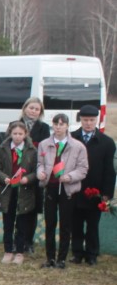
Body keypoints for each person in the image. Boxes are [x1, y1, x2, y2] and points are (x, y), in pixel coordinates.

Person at [37, 113, 88, 269]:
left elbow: (83, 169)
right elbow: (40, 163)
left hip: (67, 189)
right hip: (51, 187)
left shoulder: (78, 146)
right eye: (56, 124)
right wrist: (40, 172)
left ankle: (62, 259)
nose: (58, 127)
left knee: (65, 224)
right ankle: (50, 258)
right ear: (52, 125)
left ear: (67, 126)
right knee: (50, 223)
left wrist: (70, 176)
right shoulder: (44, 144)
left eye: (62, 124)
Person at [71, 104, 116, 266]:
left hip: (95, 191)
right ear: (80, 120)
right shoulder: (72, 138)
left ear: (97, 120)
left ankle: (92, 254)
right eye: (85, 120)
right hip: (75, 189)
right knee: (75, 224)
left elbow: (109, 171)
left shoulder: (107, 142)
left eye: (91, 120)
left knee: (92, 225)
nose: (88, 123)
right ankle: (77, 253)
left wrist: (106, 194)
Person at [0, 121, 38, 265]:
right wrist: (3, 178)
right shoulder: (2, 149)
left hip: (24, 191)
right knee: (8, 222)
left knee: (22, 224)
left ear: (25, 134)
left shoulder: (32, 150)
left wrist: (27, 179)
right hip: (7, 191)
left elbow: (36, 171)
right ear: (10, 134)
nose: (17, 136)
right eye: (15, 133)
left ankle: (19, 252)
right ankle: (7, 250)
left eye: (20, 134)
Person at [23, 97, 51, 253]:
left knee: (32, 209)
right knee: (18, 208)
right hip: (19, 171)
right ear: (25, 108)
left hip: (35, 172)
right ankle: (17, 239)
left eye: (37, 109)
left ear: (40, 112)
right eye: (31, 108)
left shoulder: (44, 128)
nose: (33, 111)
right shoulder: (16, 124)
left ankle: (29, 241)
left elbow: (45, 150)